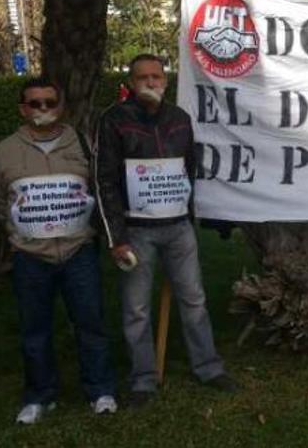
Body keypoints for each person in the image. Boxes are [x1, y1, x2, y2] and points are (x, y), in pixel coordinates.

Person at [95, 54, 236, 406]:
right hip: (136, 231)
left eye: (155, 76)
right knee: (137, 308)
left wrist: (190, 217)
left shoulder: (180, 119)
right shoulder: (114, 121)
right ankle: (143, 379)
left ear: (165, 81)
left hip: (178, 228)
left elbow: (189, 170)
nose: (149, 82)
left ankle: (208, 367)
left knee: (194, 300)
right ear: (130, 83)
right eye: (141, 77)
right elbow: (104, 181)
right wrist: (116, 238)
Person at [0, 77, 117, 424]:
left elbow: (100, 188)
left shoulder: (83, 145)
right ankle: (40, 396)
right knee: (34, 330)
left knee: (90, 324)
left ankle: (100, 390)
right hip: (30, 256)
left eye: (49, 102)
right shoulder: (4, 152)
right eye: (34, 103)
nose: (42, 109)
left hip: (78, 250)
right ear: (22, 108)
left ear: (61, 107)